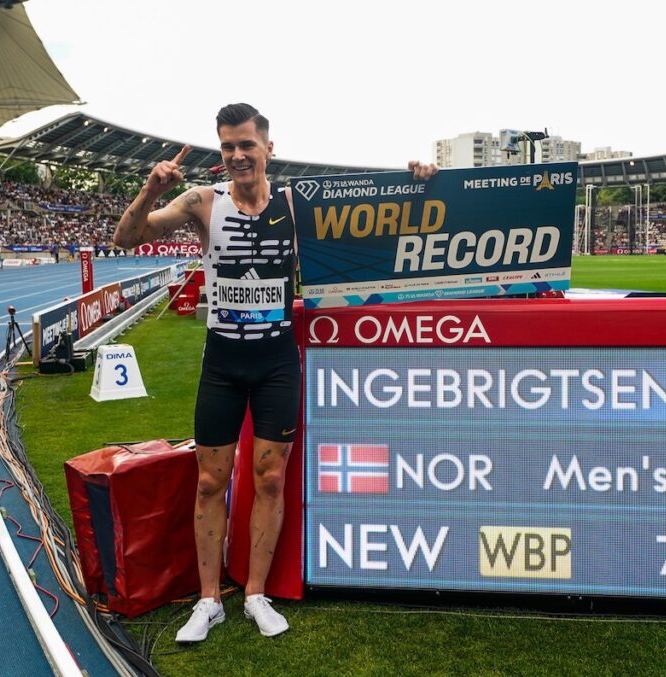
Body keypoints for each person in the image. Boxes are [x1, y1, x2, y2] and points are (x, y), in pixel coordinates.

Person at [114, 103, 436, 643]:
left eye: (246, 144)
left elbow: (376, 213)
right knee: (210, 480)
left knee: (269, 477)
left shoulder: (295, 203)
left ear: (268, 147)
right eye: (227, 147)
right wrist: (150, 188)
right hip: (222, 361)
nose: (238, 155)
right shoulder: (202, 202)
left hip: (276, 361)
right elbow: (127, 238)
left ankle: (257, 594)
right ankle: (209, 600)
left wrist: (417, 181)